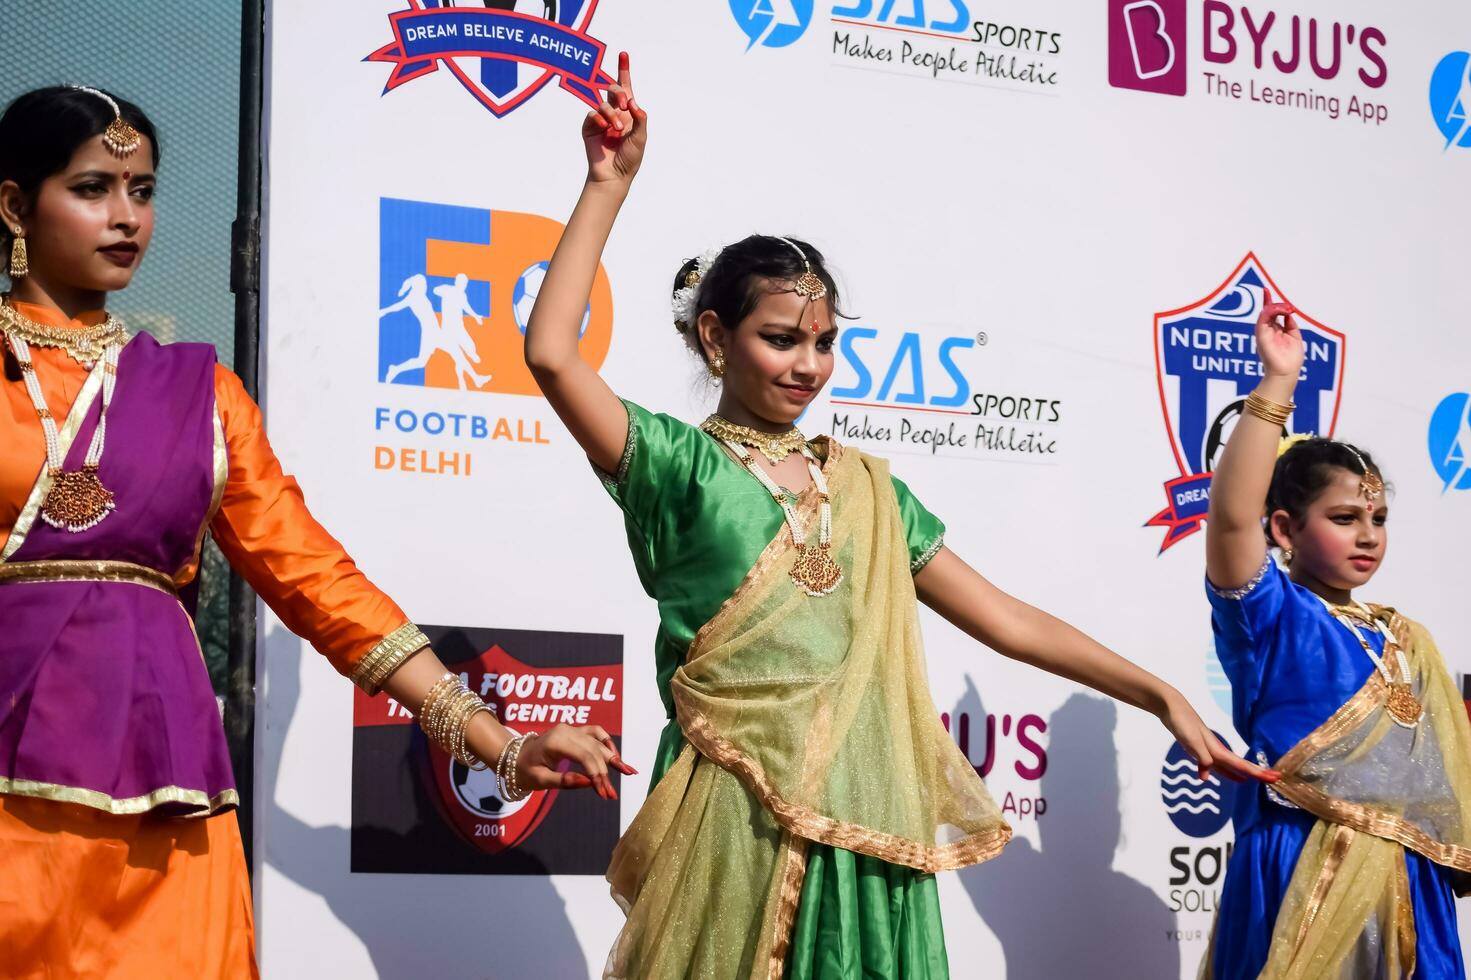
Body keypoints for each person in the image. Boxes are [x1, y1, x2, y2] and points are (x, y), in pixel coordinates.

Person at [524, 54, 1273, 979]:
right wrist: (609, 182)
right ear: (715, 338)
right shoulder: (677, 468)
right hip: (732, 829)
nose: (806, 364)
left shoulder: (871, 490)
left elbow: (1007, 621)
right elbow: (553, 355)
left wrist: (1158, 693)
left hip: (866, 836)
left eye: (824, 342)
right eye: (779, 339)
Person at [0, 85, 625, 978]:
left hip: (160, 783)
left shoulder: (197, 393)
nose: (127, 217)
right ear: (17, 205)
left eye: (143, 190)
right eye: (94, 188)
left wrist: (499, 742)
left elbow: (316, 582)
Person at [1201, 292, 1471, 978]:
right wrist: (1278, 382)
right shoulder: (1271, 614)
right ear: (1285, 529)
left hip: (1408, 883)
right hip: (1300, 863)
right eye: (1345, 516)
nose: (1367, 535)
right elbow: (1232, 519)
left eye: (1377, 518)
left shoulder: (1401, 637)